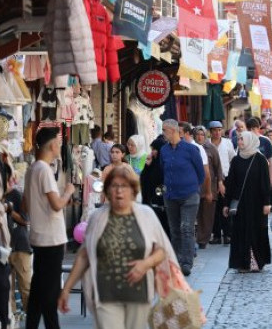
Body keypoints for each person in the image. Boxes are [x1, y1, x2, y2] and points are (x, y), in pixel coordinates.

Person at [58, 166, 176, 328]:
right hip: (106, 294)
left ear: (133, 190)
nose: (119, 191)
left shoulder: (146, 215)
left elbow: (161, 250)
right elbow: (84, 255)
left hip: (139, 295)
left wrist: (145, 264)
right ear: (107, 191)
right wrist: (66, 289)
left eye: (124, 186)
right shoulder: (97, 218)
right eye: (114, 186)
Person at [23, 127, 75, 329]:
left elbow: (25, 206)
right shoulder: (44, 170)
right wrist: (68, 191)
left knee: (38, 290)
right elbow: (57, 204)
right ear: (53, 145)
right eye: (59, 143)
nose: (60, 146)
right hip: (51, 239)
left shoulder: (31, 169)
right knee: (50, 293)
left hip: (38, 236)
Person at [159, 119, 205, 276]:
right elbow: (162, 169)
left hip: (189, 195)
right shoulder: (164, 150)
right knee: (174, 229)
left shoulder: (191, 149)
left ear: (173, 131)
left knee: (186, 228)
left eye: (164, 130)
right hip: (170, 195)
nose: (163, 133)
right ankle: (176, 260)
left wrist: (193, 188)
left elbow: (201, 173)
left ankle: (186, 262)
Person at [222, 132, 272, 272]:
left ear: (250, 140)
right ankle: (242, 263)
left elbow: (265, 183)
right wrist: (226, 203)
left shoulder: (260, 160)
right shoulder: (236, 160)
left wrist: (267, 202)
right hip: (240, 203)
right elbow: (231, 183)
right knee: (241, 231)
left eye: (242, 139)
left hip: (257, 203)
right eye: (238, 139)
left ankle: (256, 262)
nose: (239, 141)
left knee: (256, 231)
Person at [5, 170, 31, 316]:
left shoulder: (16, 195)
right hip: (5, 245)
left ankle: (31, 315)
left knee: (25, 285)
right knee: (7, 287)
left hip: (20, 245)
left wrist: (9, 210)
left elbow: (25, 220)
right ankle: (12, 316)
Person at [195, 126, 224, 250]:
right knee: (195, 214)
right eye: (198, 134)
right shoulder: (192, 148)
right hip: (194, 187)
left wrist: (220, 183)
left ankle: (203, 240)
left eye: (202, 134)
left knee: (207, 215)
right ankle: (196, 237)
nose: (200, 137)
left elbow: (218, 168)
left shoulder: (211, 149)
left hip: (209, 187)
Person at [209, 121, 235, 245]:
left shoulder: (228, 143)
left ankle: (228, 234)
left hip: (226, 178)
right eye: (214, 130)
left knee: (226, 206)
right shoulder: (207, 144)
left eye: (219, 130)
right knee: (214, 208)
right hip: (211, 180)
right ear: (210, 131)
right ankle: (217, 235)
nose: (217, 132)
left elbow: (233, 160)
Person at [140, 137, 169, 236]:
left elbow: (165, 183)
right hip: (151, 201)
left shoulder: (165, 164)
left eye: (154, 149)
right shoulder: (152, 164)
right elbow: (144, 181)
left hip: (161, 203)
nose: (152, 152)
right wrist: (147, 167)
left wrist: (158, 196)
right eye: (152, 149)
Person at [246, 117, 272, 203]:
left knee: (263, 200)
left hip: (263, 175)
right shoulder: (244, 141)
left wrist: (270, 178)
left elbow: (270, 161)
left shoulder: (265, 140)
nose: (252, 131)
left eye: (254, 128)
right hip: (249, 176)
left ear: (258, 128)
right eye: (250, 129)